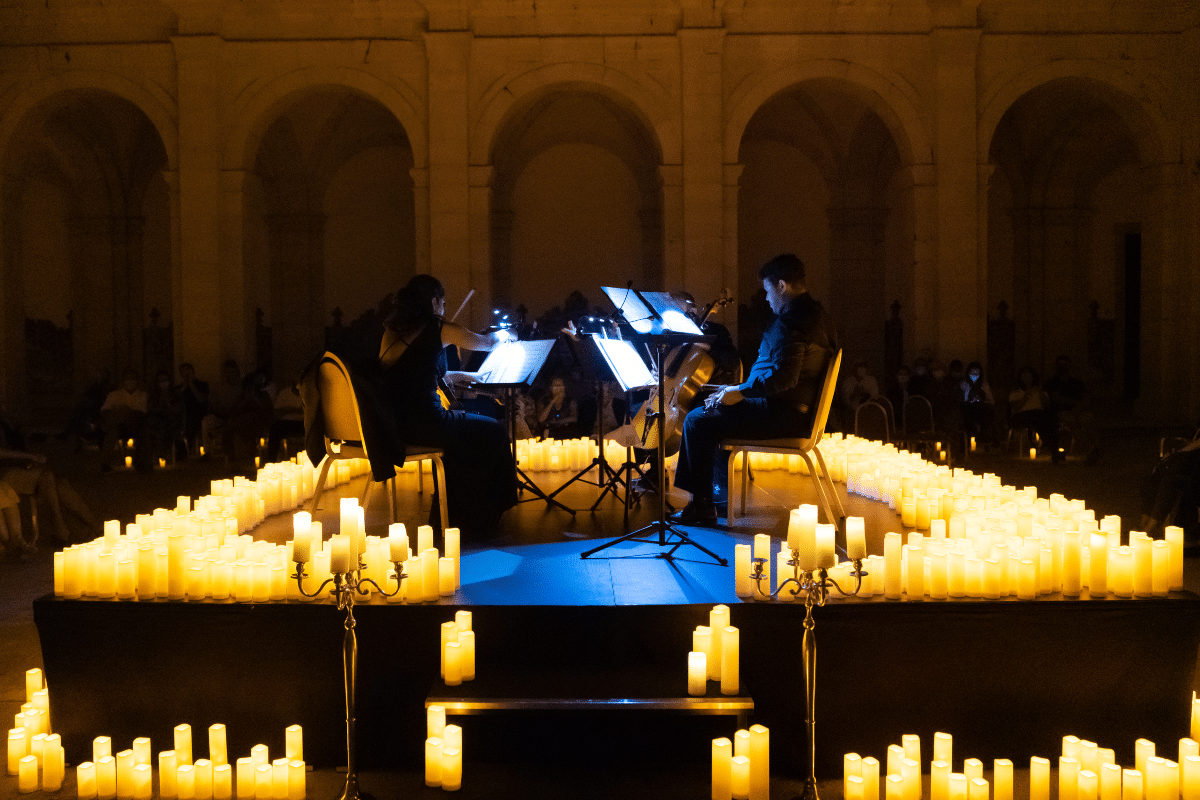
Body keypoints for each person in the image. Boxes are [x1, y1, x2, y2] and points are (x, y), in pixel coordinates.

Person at [671, 253, 838, 524]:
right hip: (794, 411)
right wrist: (737, 390)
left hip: (783, 414)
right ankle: (717, 497)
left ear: (782, 286)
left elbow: (784, 379)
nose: (767, 299)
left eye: (768, 291)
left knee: (696, 420)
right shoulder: (817, 316)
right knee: (710, 405)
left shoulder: (792, 321)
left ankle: (701, 507)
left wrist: (740, 392)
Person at [378, 274, 518, 538]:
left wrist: (465, 376)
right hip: (430, 424)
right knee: (496, 431)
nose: (443, 308)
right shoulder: (439, 328)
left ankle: (456, 512)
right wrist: (506, 334)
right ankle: (482, 514)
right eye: (443, 303)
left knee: (464, 438)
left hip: (397, 425)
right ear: (434, 302)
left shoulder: (391, 333)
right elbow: (486, 344)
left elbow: (413, 374)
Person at [99, 369, 148, 471]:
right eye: (127, 379)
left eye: (132, 379)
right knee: (112, 431)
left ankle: (103, 429)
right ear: (123, 381)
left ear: (137, 381)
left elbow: (141, 413)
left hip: (135, 425)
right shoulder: (113, 395)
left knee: (124, 412)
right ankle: (105, 463)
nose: (130, 381)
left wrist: (122, 411)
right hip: (117, 426)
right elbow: (105, 410)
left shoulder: (143, 395)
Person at [1007, 366, 1050, 453]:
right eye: (1024, 374)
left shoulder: (1040, 390)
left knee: (1047, 418)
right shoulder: (1016, 391)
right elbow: (1015, 407)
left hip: (1039, 414)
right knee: (1035, 418)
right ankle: (1044, 442)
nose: (1027, 376)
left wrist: (1040, 393)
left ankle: (1048, 443)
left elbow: (1046, 405)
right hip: (1021, 415)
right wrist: (1026, 396)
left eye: (1029, 374)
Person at [178, 362, 210, 456]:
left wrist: (191, 385)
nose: (187, 374)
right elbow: (176, 401)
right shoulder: (179, 388)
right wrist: (185, 386)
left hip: (200, 413)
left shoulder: (203, 385)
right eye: (184, 372)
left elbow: (202, 400)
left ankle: (200, 450)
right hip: (184, 415)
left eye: (189, 371)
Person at [960, 361, 995, 444]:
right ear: (968, 372)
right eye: (972, 373)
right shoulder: (964, 384)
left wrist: (982, 400)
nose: (974, 375)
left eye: (977, 373)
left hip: (981, 410)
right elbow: (962, 400)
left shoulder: (984, 385)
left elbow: (992, 401)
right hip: (967, 410)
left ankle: (983, 435)